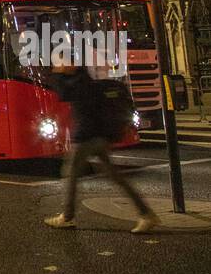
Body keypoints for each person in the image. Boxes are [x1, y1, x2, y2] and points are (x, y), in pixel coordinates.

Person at [44, 60, 159, 232]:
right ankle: (146, 214)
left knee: (70, 174)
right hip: (99, 138)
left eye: (64, 63)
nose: (61, 65)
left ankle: (67, 217)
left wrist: (58, 74)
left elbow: (62, 93)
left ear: (71, 67)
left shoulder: (80, 84)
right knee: (115, 177)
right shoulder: (86, 81)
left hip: (86, 138)